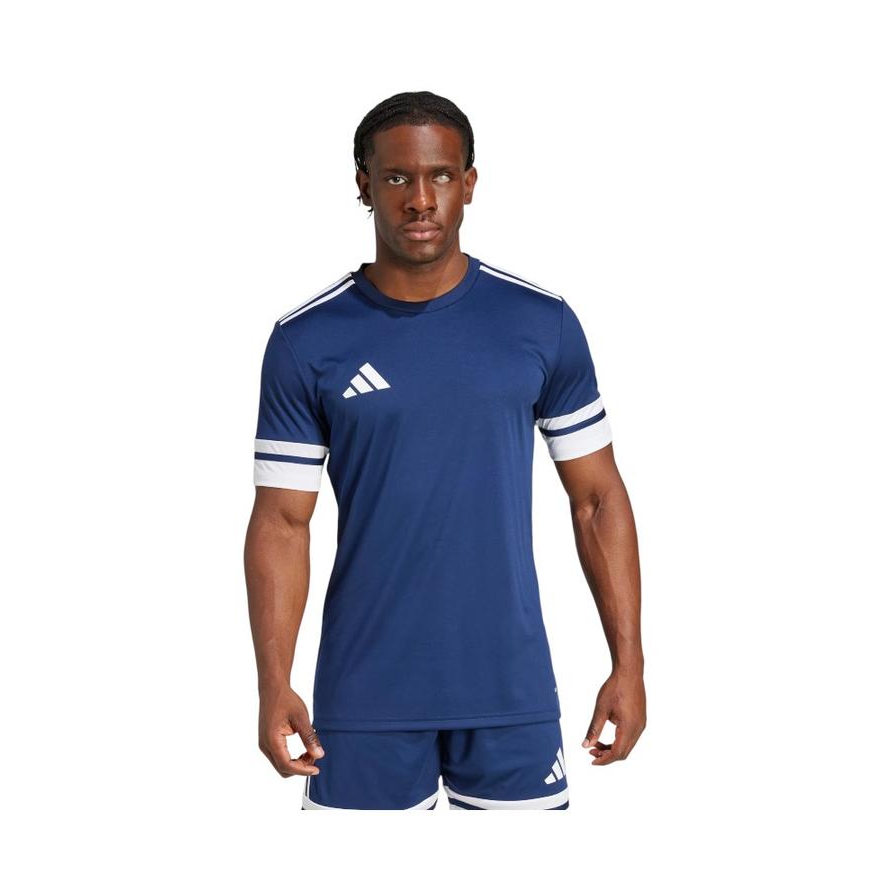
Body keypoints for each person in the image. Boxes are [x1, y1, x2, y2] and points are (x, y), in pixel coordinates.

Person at [244, 91, 645, 810]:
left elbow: (597, 499)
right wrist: (274, 683)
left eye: (440, 176)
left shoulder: (540, 324)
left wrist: (630, 664)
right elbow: (282, 522)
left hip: (510, 689)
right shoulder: (307, 340)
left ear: (469, 183)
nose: (420, 199)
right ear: (364, 185)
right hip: (364, 695)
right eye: (397, 177)